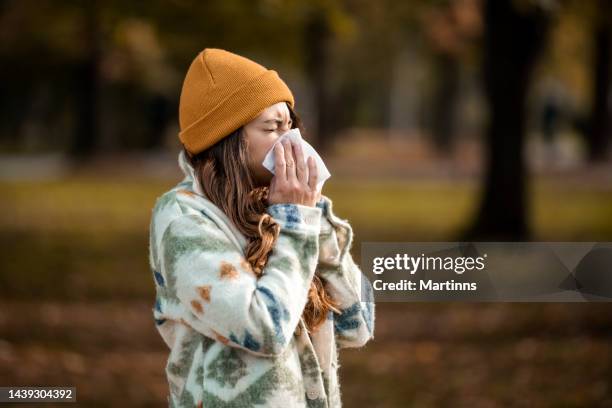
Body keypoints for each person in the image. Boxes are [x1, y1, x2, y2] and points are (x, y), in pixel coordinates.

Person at [148, 48, 375, 407]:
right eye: (272, 128)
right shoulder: (183, 219)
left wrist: (313, 216)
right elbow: (263, 329)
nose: (292, 143)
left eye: (291, 127)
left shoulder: (280, 211)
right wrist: (297, 223)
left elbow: (357, 324)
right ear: (227, 141)